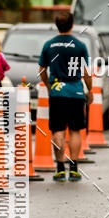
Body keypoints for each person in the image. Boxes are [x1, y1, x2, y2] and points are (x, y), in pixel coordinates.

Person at [38, 11, 93, 182]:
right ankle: (74, 167)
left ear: (57, 24)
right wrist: (89, 91)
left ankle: (60, 168)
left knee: (58, 130)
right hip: (75, 91)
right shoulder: (80, 45)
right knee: (75, 130)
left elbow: (41, 70)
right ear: (72, 24)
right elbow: (86, 73)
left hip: (57, 91)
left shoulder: (49, 45)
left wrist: (48, 86)